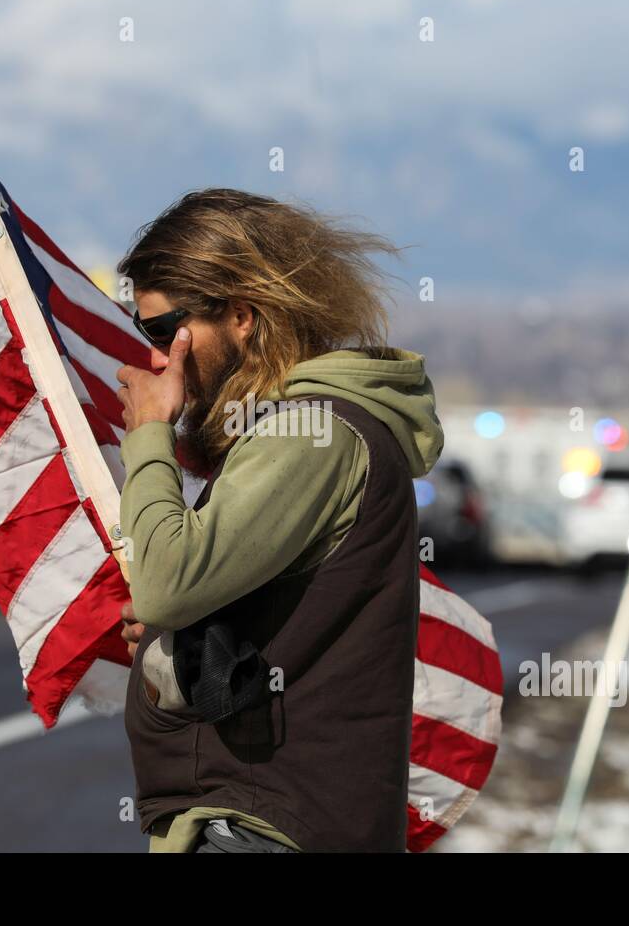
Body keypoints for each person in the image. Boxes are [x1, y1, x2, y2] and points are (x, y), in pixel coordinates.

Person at [113, 188, 443, 852]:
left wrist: (150, 435)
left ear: (241, 315)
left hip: (264, 830)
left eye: (161, 329)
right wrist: (174, 637)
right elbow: (263, 614)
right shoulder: (302, 430)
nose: (153, 357)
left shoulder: (310, 434)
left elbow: (167, 581)